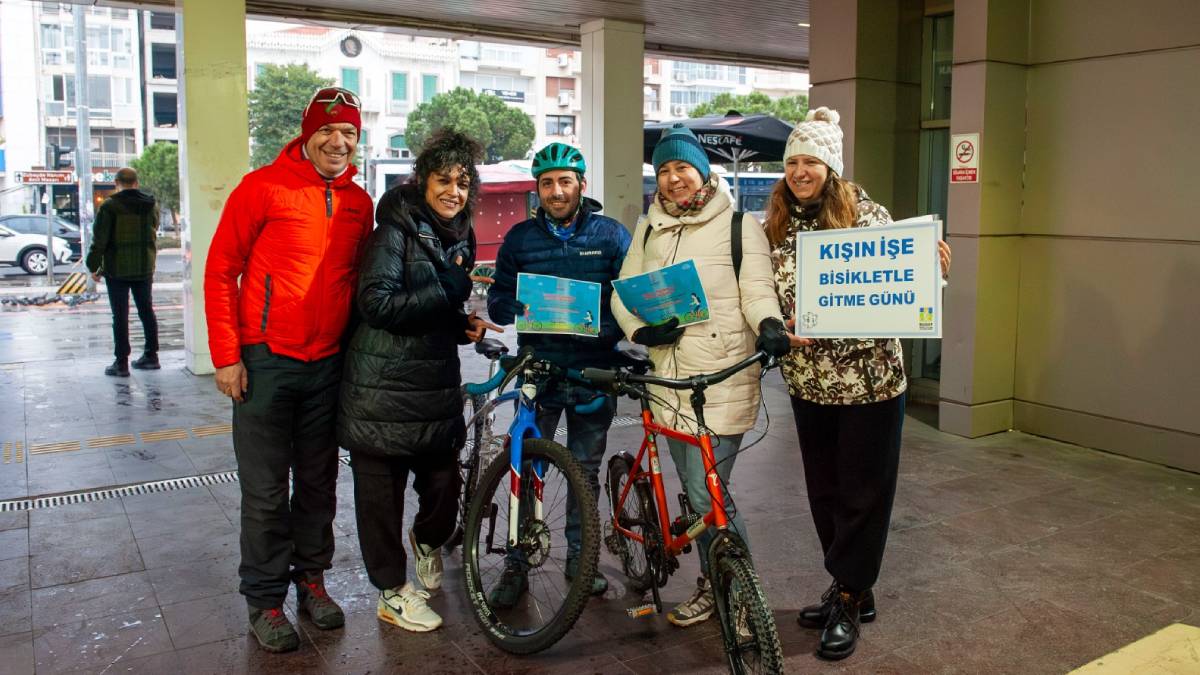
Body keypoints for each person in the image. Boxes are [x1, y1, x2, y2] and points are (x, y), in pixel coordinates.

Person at [765, 107, 951, 661]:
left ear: (832, 167)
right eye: (793, 162)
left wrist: (934, 266)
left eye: (811, 162)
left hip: (871, 383)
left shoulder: (869, 217)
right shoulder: (771, 226)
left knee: (863, 494)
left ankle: (848, 595)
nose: (800, 171)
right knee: (824, 492)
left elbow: (905, 281)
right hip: (809, 382)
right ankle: (851, 585)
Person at [204, 87, 374, 653]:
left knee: (320, 486)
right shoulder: (263, 188)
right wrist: (227, 355)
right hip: (265, 362)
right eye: (328, 129)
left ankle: (312, 581)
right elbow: (220, 270)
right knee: (265, 490)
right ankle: (265, 599)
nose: (338, 140)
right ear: (307, 133)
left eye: (348, 132)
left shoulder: (360, 203)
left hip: (327, 364)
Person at [611, 124, 791, 627]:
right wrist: (642, 333)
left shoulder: (738, 226)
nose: (673, 179)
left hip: (721, 378)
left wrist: (770, 325)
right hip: (668, 381)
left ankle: (731, 592)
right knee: (699, 495)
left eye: (682, 168)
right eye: (664, 170)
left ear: (703, 172)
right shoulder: (648, 227)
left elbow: (757, 291)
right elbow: (623, 291)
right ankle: (718, 583)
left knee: (712, 497)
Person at [337, 129, 501, 633]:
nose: (453, 190)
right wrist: (446, 290)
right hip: (380, 389)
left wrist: (460, 323)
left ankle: (427, 541)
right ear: (423, 180)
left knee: (442, 486)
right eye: (443, 180)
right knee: (380, 500)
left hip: (432, 386)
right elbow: (378, 305)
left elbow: (437, 308)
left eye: (462, 182)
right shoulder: (393, 232)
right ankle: (391, 591)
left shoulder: (461, 234)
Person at [486, 142, 632, 603]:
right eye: (547, 183)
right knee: (525, 467)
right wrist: (512, 306)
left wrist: (604, 328)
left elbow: (628, 299)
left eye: (564, 181)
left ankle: (579, 558)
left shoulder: (610, 236)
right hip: (539, 370)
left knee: (584, 471)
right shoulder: (519, 239)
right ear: (538, 189)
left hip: (593, 371)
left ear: (581, 185)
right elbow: (497, 302)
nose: (555, 190)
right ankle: (516, 562)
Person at [85, 167, 160, 377]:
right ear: (136, 183)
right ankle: (151, 356)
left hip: (117, 269)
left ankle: (121, 362)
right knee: (146, 311)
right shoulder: (150, 204)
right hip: (144, 267)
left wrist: (94, 266)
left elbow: (100, 240)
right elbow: (154, 228)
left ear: (116, 183)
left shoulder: (110, 207)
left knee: (120, 315)